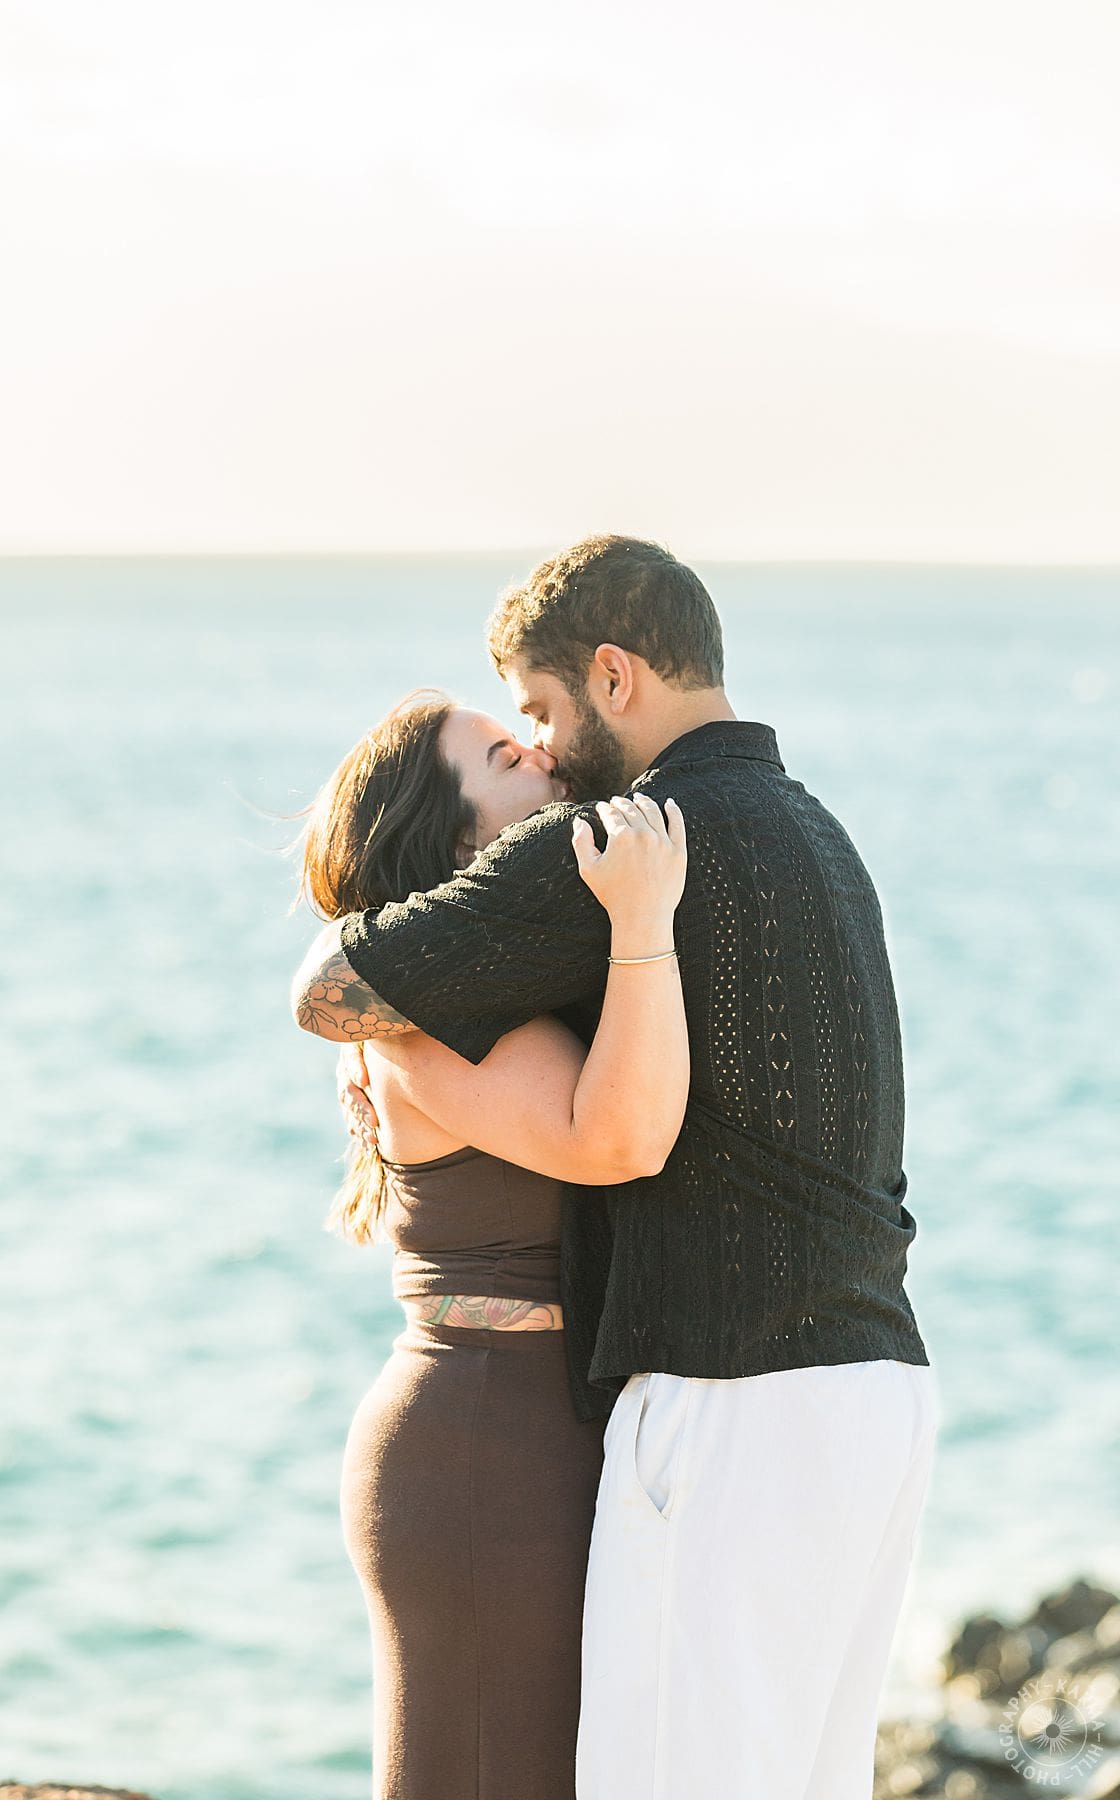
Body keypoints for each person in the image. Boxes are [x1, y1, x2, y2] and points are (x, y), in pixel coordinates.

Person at [292, 535, 940, 1799]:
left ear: (613, 677)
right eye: (507, 743)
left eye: (536, 712)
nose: (542, 748)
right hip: (854, 1391)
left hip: (722, 1400)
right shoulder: (811, 829)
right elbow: (347, 989)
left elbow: (337, 992)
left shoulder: (631, 851)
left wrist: (634, 923)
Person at [289, 686, 689, 1800]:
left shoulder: (482, 991)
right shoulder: (423, 1019)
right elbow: (614, 1143)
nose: (548, 760)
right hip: (481, 1447)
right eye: (508, 756)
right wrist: (647, 920)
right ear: (458, 835)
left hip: (531, 1430)